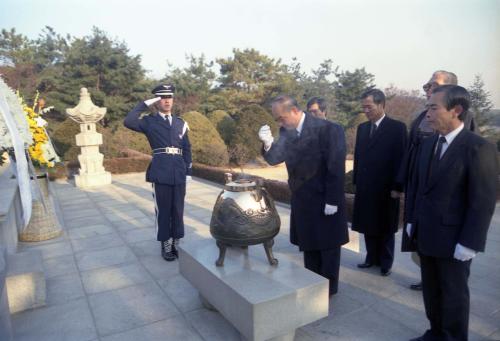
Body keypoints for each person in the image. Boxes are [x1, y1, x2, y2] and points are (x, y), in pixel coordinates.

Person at [407, 85, 498, 341]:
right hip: (426, 234)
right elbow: (419, 189)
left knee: (453, 295)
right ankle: (435, 332)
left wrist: (470, 242)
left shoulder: (479, 148)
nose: (427, 113)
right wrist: (412, 221)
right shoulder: (428, 144)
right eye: (427, 107)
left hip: (454, 239)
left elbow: (482, 201)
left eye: (433, 107)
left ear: (456, 110)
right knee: (432, 292)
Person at [258, 95, 348, 296]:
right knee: (309, 245)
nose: (279, 123)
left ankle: (328, 290)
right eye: (277, 120)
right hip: (303, 198)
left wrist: (332, 199)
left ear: (295, 111)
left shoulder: (329, 129)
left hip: (325, 198)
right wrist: (267, 144)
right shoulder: (287, 132)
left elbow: (336, 167)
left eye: (281, 118)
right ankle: (313, 284)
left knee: (328, 246)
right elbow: (275, 158)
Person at [397, 70, 475, 291]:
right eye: (427, 86)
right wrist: (401, 182)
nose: (428, 88)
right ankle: (428, 276)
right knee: (420, 243)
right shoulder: (423, 116)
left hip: (443, 199)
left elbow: (467, 164)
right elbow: (410, 150)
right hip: (419, 188)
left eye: (434, 85)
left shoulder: (463, 119)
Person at [124, 84, 192, 261]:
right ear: (156, 101)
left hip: (178, 170)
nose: (167, 100)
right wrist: (144, 104)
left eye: (169, 97)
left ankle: (176, 240)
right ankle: (165, 243)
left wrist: (188, 169)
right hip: (161, 170)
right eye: (162, 97)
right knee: (163, 210)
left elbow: (186, 147)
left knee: (178, 208)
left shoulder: (180, 123)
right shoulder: (149, 121)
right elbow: (129, 121)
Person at [352, 89, 407, 276]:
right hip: (366, 185)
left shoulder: (397, 128)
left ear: (382, 104)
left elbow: (401, 159)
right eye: (364, 107)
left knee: (385, 226)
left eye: (369, 106)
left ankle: (385, 262)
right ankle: (371, 258)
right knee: (367, 224)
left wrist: (398, 186)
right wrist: (356, 181)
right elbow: (358, 157)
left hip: (386, 187)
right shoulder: (363, 128)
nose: (366, 111)